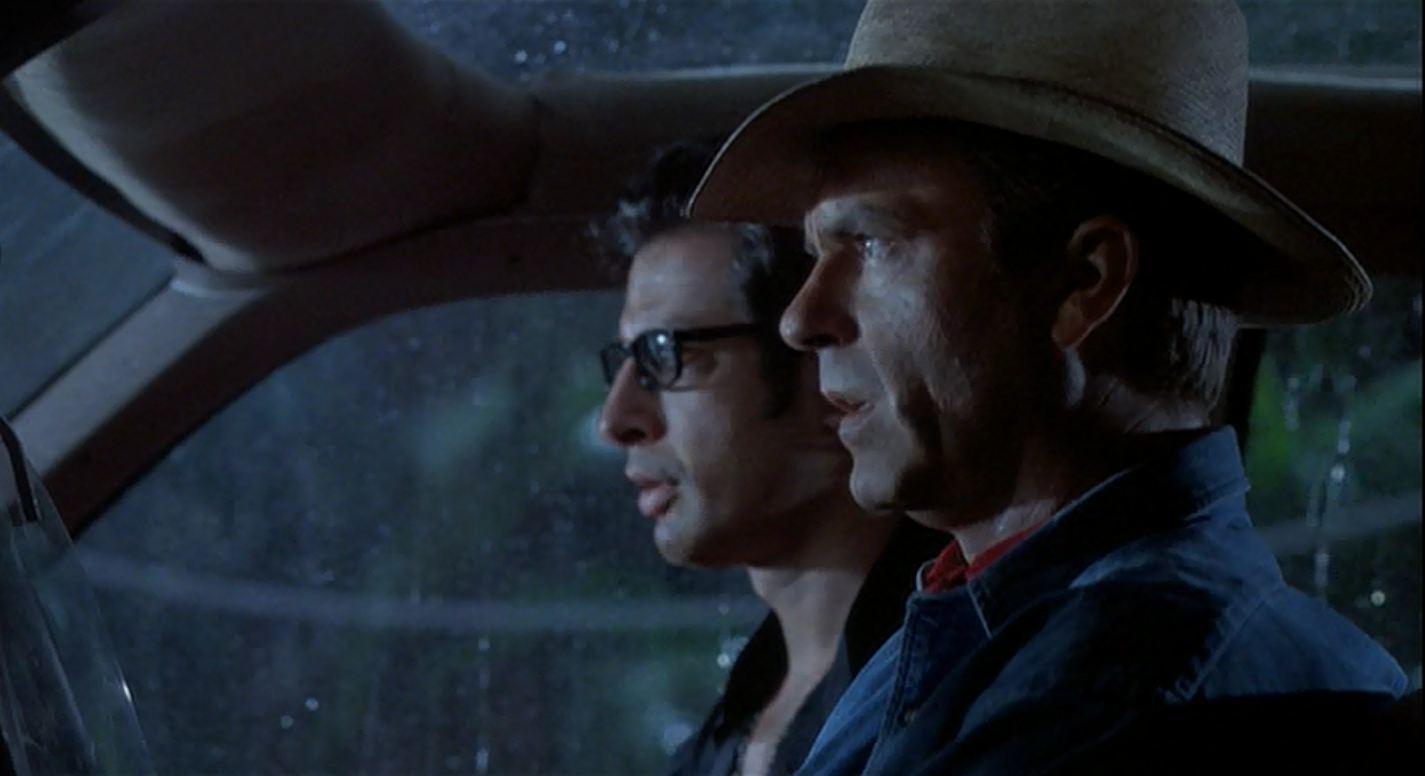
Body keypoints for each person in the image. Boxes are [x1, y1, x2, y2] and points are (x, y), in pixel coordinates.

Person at [684, 1, 1409, 774]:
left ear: (1084, 281)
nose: (801, 319)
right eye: (816, 253)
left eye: (870, 243)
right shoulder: (987, 637)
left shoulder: (1106, 691)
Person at [592, 140, 945, 776]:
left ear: (824, 368)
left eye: (665, 354)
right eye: (626, 360)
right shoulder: (728, 729)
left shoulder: (950, 694)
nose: (616, 420)